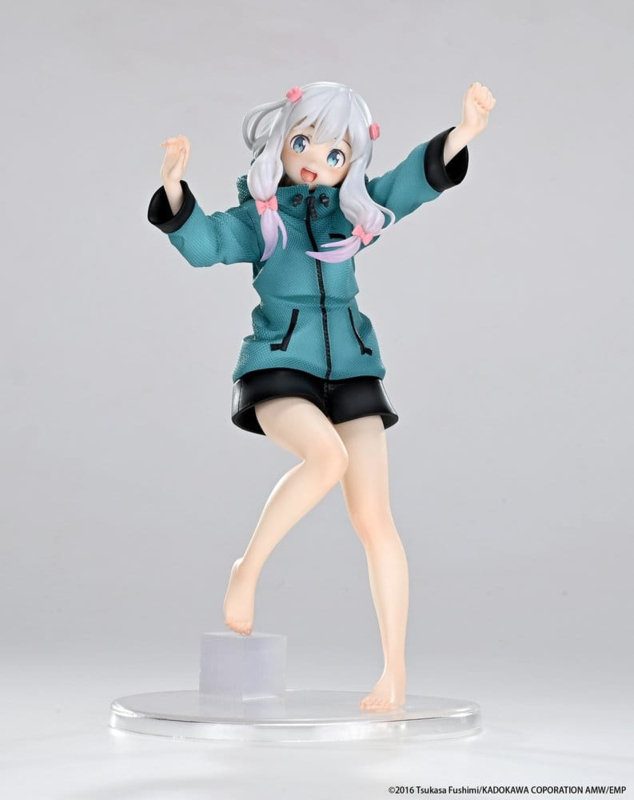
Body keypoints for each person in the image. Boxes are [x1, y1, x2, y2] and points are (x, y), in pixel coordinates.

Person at [147, 81, 496, 709]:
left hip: (353, 367)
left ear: (351, 164)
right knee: (326, 458)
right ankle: (247, 569)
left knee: (376, 519)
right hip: (281, 364)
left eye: (336, 153)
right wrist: (174, 189)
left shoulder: (351, 215)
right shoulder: (260, 220)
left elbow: (408, 186)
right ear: (281, 141)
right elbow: (205, 245)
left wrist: (463, 133)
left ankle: (394, 673)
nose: (315, 161)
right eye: (303, 142)